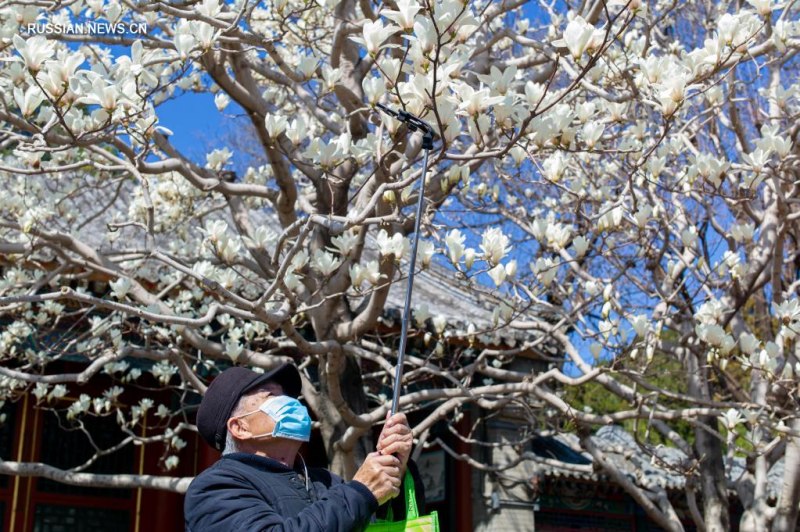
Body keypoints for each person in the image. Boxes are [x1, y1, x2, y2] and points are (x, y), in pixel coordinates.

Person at [184, 364, 416, 531]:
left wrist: (393, 465)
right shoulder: (214, 489)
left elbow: (376, 523)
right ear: (240, 427)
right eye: (272, 396)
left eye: (287, 396)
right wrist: (359, 492)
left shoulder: (325, 481)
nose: (292, 404)